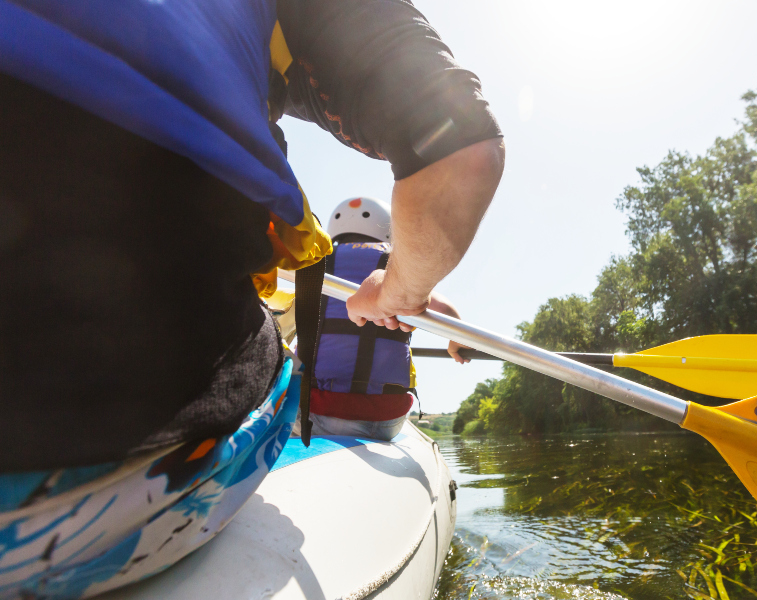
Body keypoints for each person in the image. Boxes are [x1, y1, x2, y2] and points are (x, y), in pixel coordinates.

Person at [0, 0, 503, 596]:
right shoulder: (380, 261)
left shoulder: (321, 267)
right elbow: (462, 156)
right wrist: (400, 296)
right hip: (128, 454)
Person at [303, 197, 470, 441]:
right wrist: (455, 344)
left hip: (315, 409)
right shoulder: (397, 266)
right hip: (384, 416)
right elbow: (446, 311)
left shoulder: (314, 260)